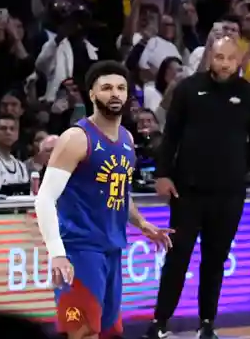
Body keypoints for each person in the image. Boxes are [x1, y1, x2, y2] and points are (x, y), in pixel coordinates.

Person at [144, 36, 250, 339]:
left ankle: (207, 324)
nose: (224, 63)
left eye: (230, 58)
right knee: (177, 258)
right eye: (219, 57)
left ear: (239, 60)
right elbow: (170, 136)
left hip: (229, 193)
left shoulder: (249, 95)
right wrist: (162, 174)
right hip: (187, 192)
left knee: (215, 260)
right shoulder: (188, 89)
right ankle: (160, 322)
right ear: (209, 57)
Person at [34, 60, 171, 339]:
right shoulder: (76, 137)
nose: (115, 94)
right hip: (80, 250)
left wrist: (143, 224)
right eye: (107, 88)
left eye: (121, 88)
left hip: (112, 249)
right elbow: (45, 198)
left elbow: (120, 192)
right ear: (92, 94)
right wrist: (57, 253)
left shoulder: (127, 139)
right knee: (83, 333)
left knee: (110, 333)